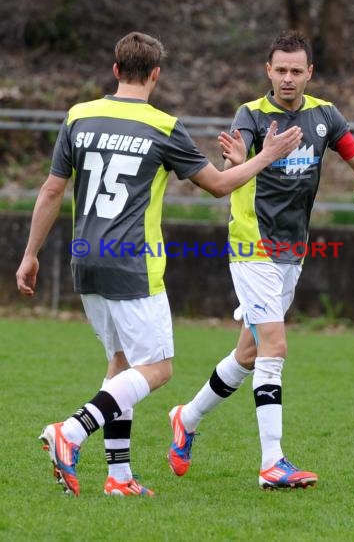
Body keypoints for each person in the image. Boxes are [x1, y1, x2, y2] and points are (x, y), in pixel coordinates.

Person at [15, 31, 303, 497]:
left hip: (85, 261)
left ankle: (120, 477)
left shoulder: (78, 116)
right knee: (159, 369)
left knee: (122, 364)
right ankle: (71, 431)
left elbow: (51, 190)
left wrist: (30, 255)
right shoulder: (163, 126)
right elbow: (219, 185)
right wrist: (267, 156)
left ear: (114, 70)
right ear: (156, 74)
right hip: (133, 265)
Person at [167, 30, 354, 490]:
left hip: (293, 249)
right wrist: (246, 155)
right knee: (275, 348)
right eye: (280, 69)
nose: (287, 78)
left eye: (295, 70)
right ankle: (273, 463)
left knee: (248, 354)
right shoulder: (251, 114)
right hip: (252, 244)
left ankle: (186, 418)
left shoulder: (325, 116)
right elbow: (235, 161)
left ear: (310, 72)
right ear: (268, 71)